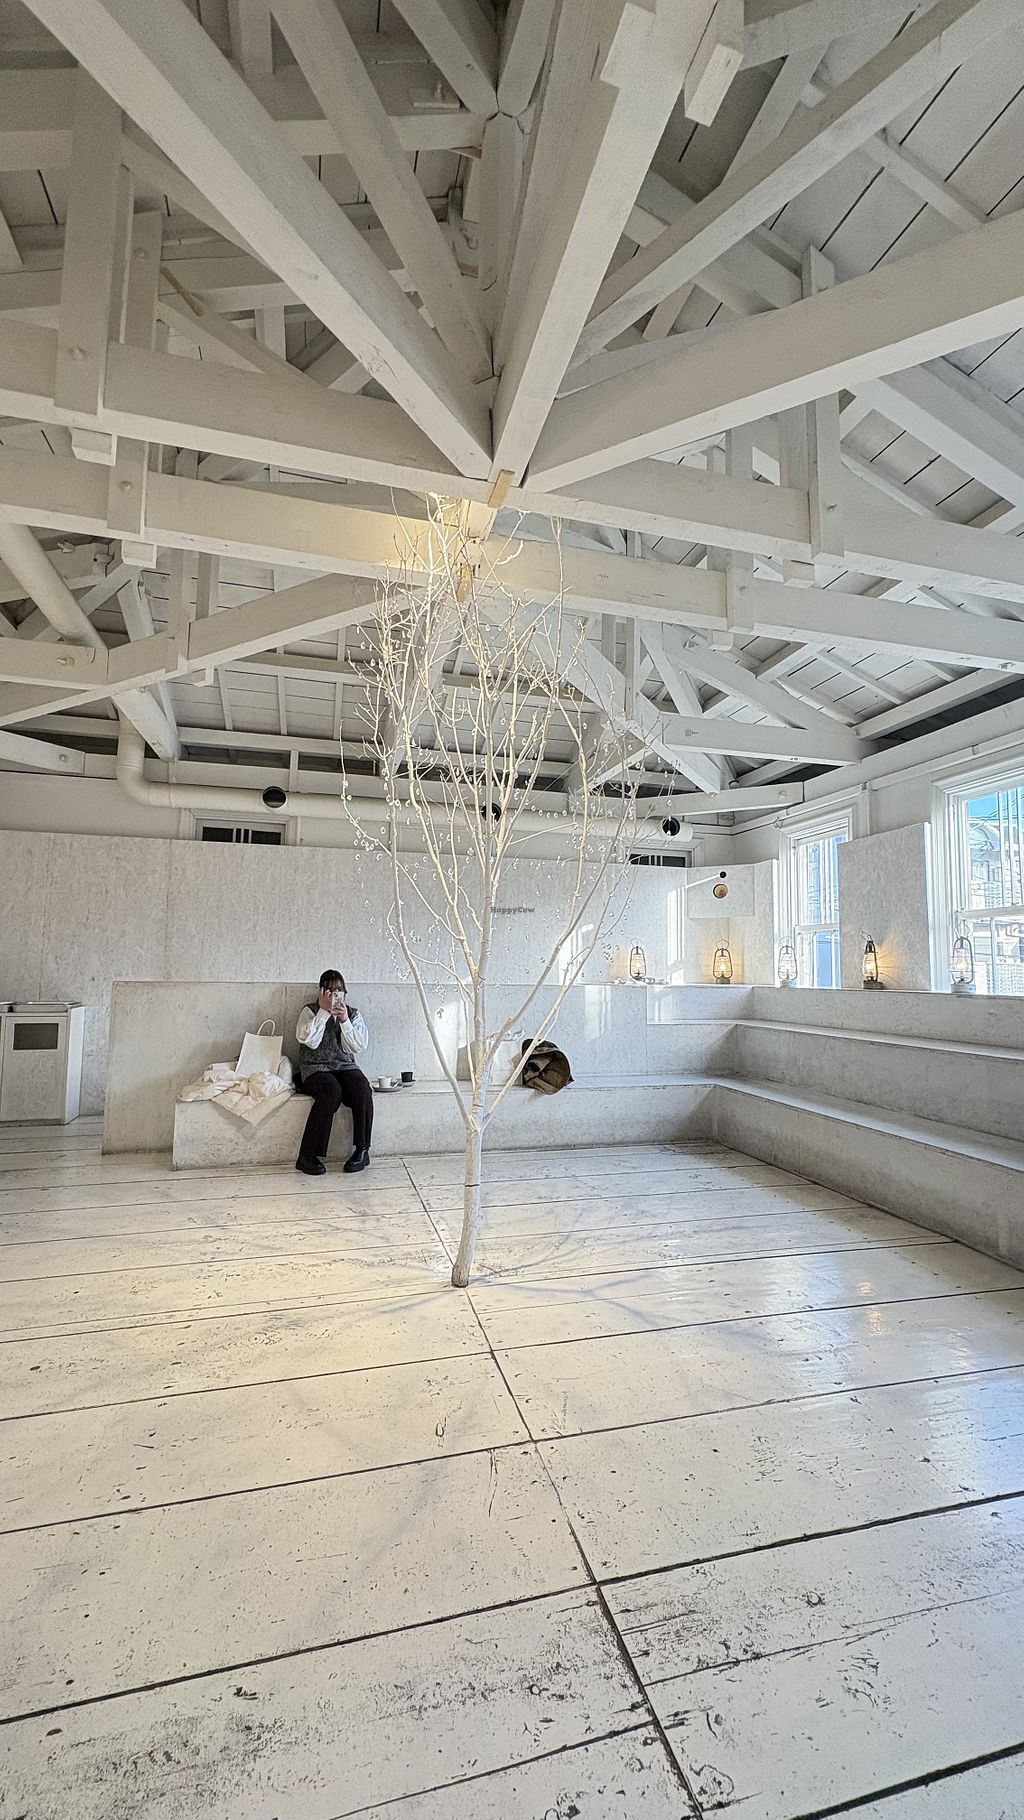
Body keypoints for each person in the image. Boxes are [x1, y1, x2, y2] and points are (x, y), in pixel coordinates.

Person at [294, 969, 373, 1176]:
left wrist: (345, 1021)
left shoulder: (353, 1014)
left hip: (345, 1067)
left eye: (338, 991)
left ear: (345, 993)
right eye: (329, 991)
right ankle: (307, 1156)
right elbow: (309, 1041)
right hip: (315, 1068)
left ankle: (363, 1150)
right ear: (321, 993)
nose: (334, 995)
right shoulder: (309, 1011)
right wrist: (323, 1012)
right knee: (331, 1091)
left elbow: (357, 1046)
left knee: (362, 1088)